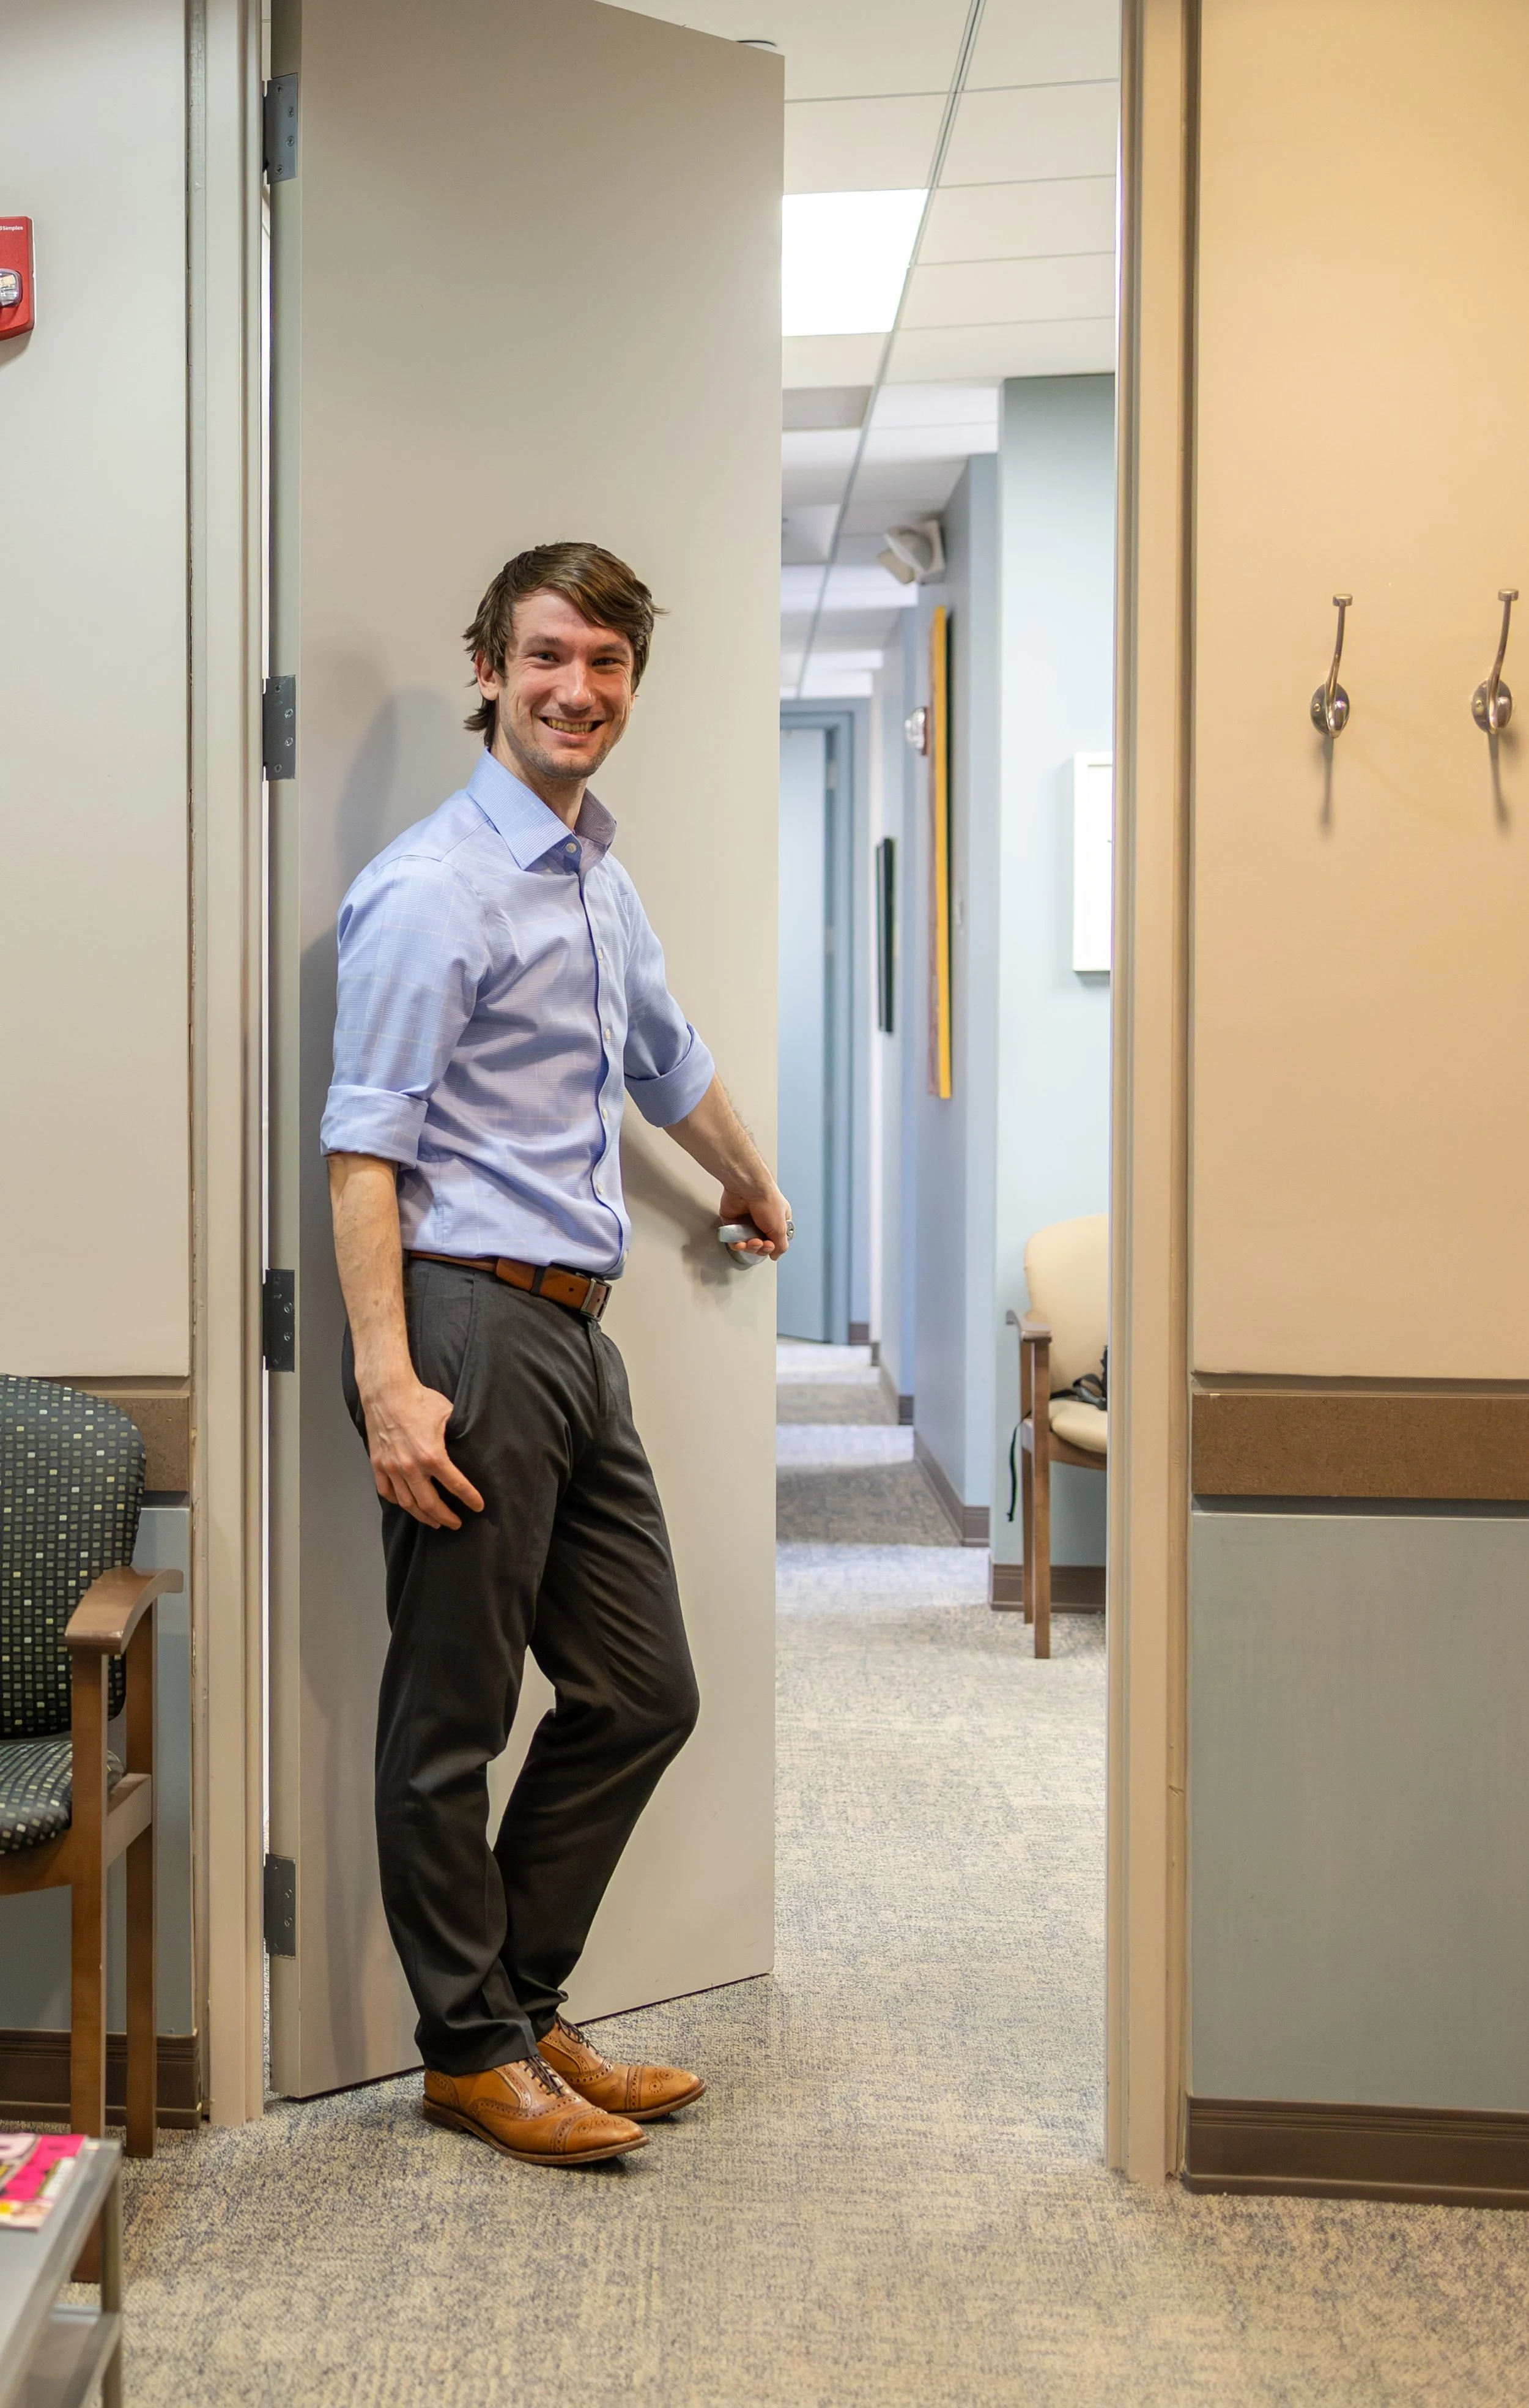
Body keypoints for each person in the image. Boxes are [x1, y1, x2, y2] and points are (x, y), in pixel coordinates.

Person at [321, 541, 791, 2169]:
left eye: (603, 662)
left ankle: (515, 2000)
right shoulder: (431, 889)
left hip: (578, 1336)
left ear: (630, 683)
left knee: (643, 1691)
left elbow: (668, 1056)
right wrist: (387, 1379)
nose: (575, 689)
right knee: (449, 1709)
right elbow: (363, 1156)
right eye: (545, 658)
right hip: (462, 1321)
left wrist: (742, 1173)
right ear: (489, 667)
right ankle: (468, 2051)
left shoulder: (597, 877)